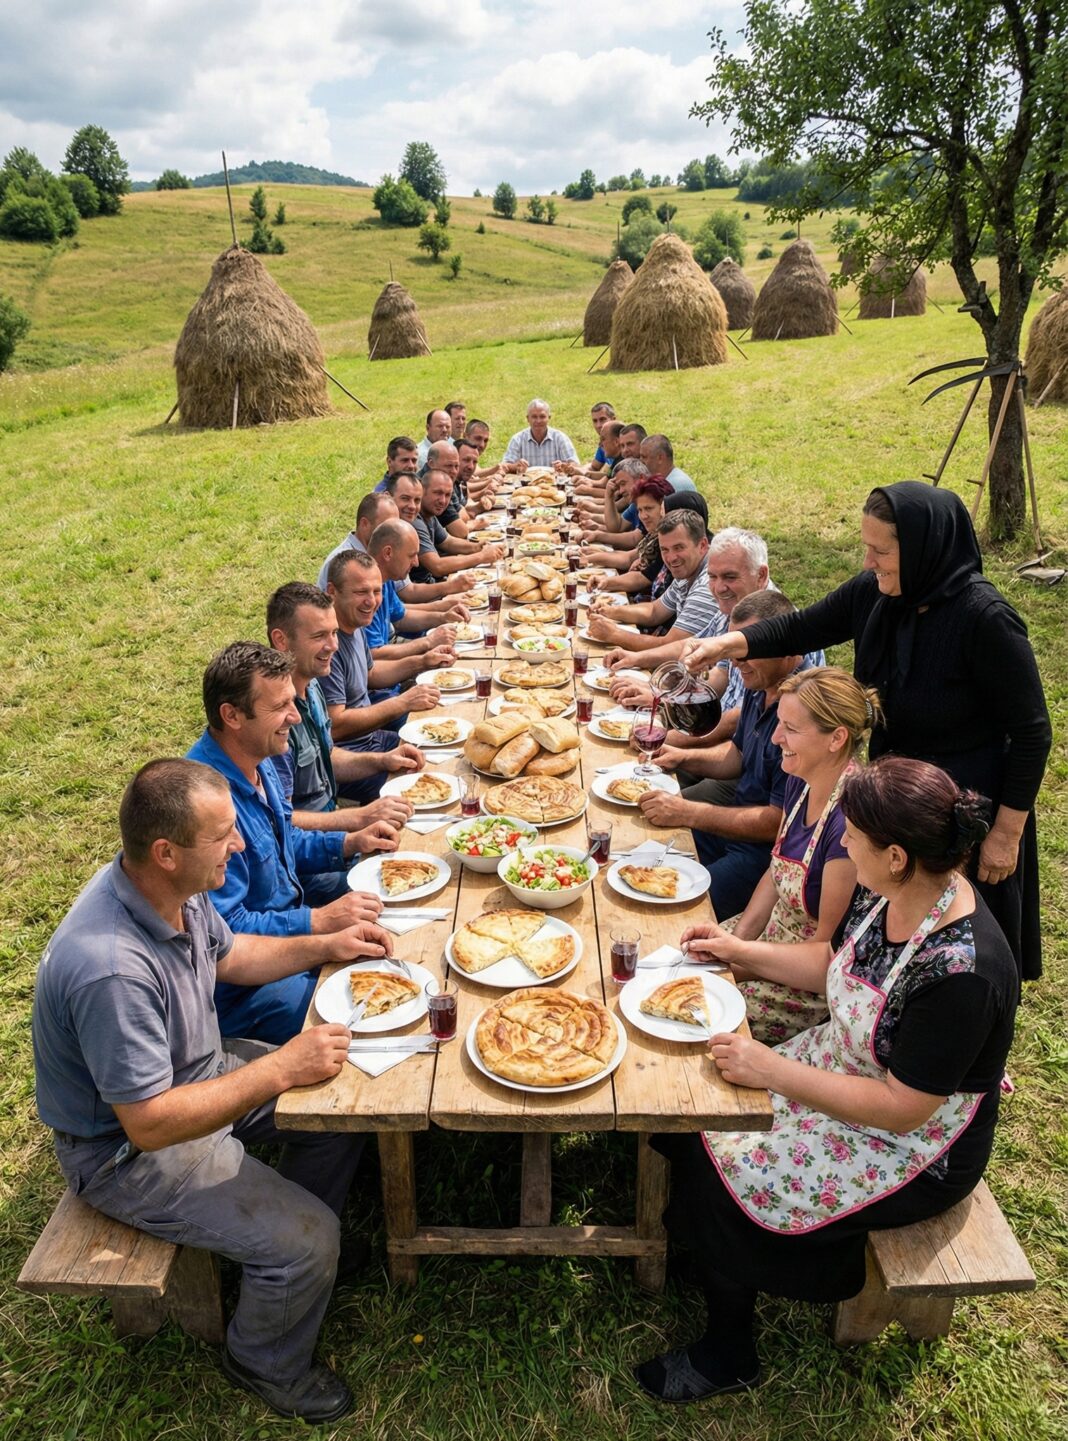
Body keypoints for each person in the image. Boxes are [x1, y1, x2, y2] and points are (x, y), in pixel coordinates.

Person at [635, 756, 1018, 1403]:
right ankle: (705, 1251)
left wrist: (772, 1066)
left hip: (915, 1146)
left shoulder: (963, 972)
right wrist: (738, 950)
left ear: (894, 853)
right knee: (698, 1108)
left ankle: (729, 1351)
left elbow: (902, 1108)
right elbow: (834, 970)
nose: (841, 842)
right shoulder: (902, 890)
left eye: (854, 834)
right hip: (846, 1063)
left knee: (733, 1178)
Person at [31, 758, 387, 1421]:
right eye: (225, 833)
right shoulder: (110, 968)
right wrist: (280, 1068)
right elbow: (150, 1122)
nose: (242, 844)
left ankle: (285, 1254)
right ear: (166, 852)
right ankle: (264, 1356)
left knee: (345, 1103)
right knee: (309, 1239)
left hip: (198, 1074)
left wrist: (330, 942)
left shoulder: (173, 888)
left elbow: (234, 956)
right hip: (125, 1152)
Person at [682, 481, 1052, 982]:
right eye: (866, 547)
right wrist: (729, 643)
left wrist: (1006, 834)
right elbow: (802, 626)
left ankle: (963, 1052)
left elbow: (1032, 732)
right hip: (897, 795)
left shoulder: (985, 620)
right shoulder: (877, 594)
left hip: (968, 807)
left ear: (923, 548)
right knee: (894, 927)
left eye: (880, 550)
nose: (867, 562)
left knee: (958, 948)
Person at [186, 643, 397, 1041]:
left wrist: (350, 842)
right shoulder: (206, 805)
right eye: (280, 706)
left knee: (391, 945)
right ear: (231, 715)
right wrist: (317, 923)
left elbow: (286, 840)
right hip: (246, 991)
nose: (295, 716)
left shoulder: (258, 755)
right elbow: (227, 936)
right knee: (372, 1015)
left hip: (291, 940)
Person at [719, 667, 881, 1041]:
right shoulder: (800, 778)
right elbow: (775, 875)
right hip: (769, 941)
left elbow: (824, 953)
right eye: (779, 724)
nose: (776, 738)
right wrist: (739, 943)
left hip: (804, 978)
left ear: (836, 738)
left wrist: (739, 964)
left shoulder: (847, 823)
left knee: (703, 1014)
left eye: (791, 729)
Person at [639, 590, 805, 920]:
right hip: (730, 833)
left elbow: (777, 822)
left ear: (788, 648)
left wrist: (689, 812)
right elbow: (738, 757)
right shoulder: (761, 688)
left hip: (762, 859)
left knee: (666, 909)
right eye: (734, 650)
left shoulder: (801, 713)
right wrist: (682, 757)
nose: (736, 662)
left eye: (748, 650)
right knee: (639, 846)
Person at [266, 581, 420, 835]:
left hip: (333, 827)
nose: (333, 646)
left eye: (334, 633)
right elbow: (280, 822)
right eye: (319, 636)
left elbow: (328, 757)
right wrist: (358, 819)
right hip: (315, 855)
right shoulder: (271, 717)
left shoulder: (312, 685)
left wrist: (382, 761)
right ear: (281, 640)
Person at [322, 550, 444, 760]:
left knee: (442, 733)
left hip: (372, 738)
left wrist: (423, 661)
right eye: (361, 592)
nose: (371, 601)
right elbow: (337, 725)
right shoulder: (327, 647)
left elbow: (371, 673)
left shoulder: (356, 622)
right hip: (353, 755)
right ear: (332, 591)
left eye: (376, 591)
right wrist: (403, 703)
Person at [587, 510, 719, 652]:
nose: (671, 558)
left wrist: (614, 634)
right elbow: (654, 611)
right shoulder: (689, 569)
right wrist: (609, 611)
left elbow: (671, 647)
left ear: (702, 545)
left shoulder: (708, 586)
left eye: (678, 548)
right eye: (665, 549)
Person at [412, 470, 504, 583]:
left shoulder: (430, 514)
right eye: (437, 493)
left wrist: (478, 546)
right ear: (422, 491)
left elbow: (448, 542)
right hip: (422, 592)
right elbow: (437, 566)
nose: (443, 500)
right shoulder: (415, 520)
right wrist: (481, 557)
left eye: (447, 495)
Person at [592, 475, 674, 597]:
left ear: (664, 507)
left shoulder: (668, 541)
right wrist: (591, 556)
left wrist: (605, 580)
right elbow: (630, 557)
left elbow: (640, 579)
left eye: (649, 508)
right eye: (640, 510)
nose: (644, 516)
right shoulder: (654, 532)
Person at [317, 490, 398, 589]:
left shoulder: (383, 554)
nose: (394, 534)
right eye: (386, 527)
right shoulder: (341, 562)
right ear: (364, 524)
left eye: (396, 526)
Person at [502, 398, 578, 469]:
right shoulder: (517, 439)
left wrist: (564, 466)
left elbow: (575, 464)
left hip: (554, 482)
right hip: (525, 482)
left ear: (549, 418)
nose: (538, 421)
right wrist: (516, 466)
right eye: (534, 417)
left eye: (542, 417)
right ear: (528, 419)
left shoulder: (560, 438)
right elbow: (505, 466)